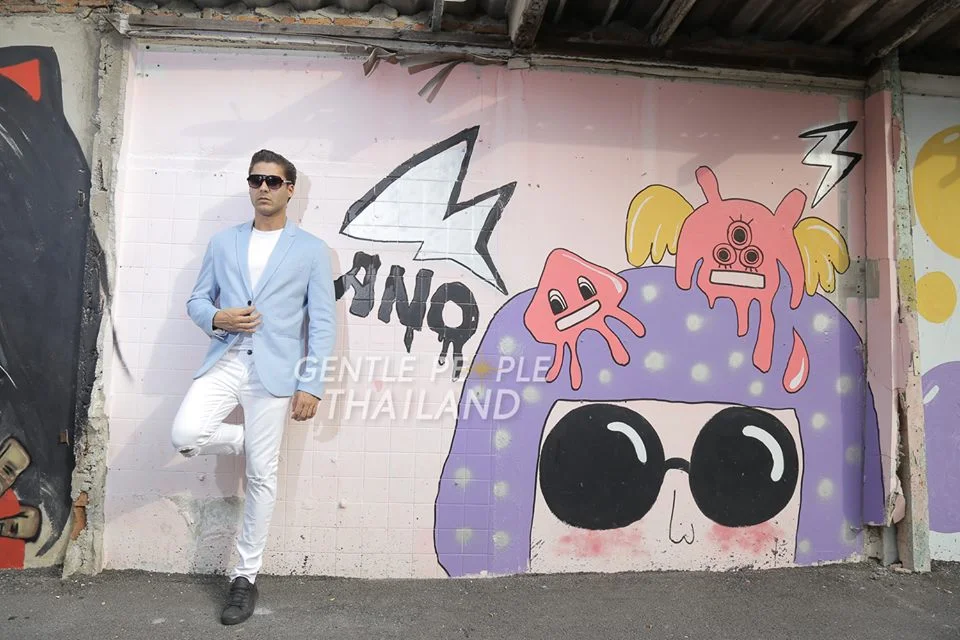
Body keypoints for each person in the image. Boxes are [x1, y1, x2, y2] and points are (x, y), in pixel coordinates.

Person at [171, 149, 336, 625]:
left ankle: (244, 578)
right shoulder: (224, 242)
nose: (263, 187)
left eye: (273, 181)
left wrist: (312, 384)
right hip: (226, 359)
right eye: (255, 179)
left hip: (275, 372)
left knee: (263, 476)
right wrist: (217, 317)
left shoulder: (311, 250)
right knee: (186, 435)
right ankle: (254, 442)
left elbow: (322, 323)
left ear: (290, 190)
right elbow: (197, 300)